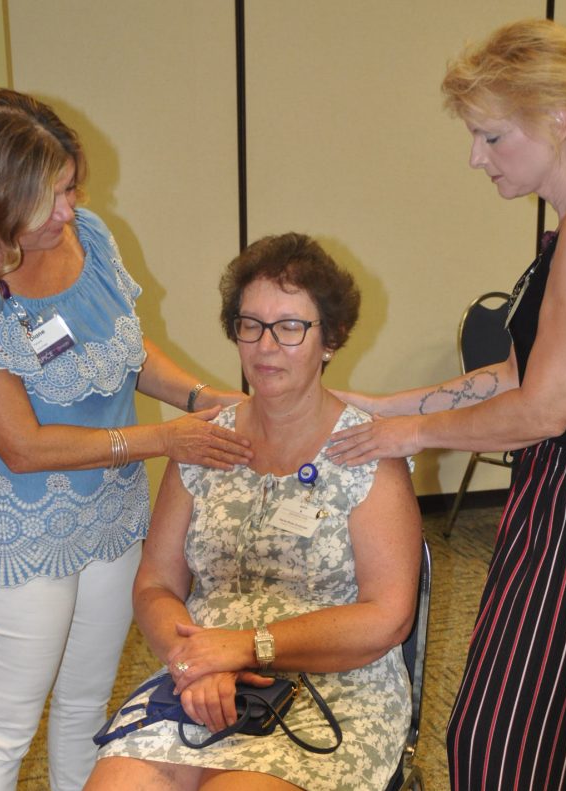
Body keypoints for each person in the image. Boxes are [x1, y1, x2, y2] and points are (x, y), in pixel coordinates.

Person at [328, 18, 566, 791]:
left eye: (491, 136)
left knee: (505, 742)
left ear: (557, 120)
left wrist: (409, 432)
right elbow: (513, 374)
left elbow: (544, 408)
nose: (477, 157)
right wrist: (380, 405)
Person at [0, 88, 253, 791]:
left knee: (85, 710)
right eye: (49, 197)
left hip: (109, 519)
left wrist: (204, 399)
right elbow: (23, 447)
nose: (68, 210)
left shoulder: (90, 236)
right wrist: (165, 438)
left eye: (71, 187)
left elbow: (125, 347)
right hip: (21, 530)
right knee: (4, 731)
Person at [83, 232, 423, 791]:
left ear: (331, 338)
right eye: (251, 325)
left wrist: (247, 647)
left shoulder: (367, 452)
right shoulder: (204, 444)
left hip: (335, 689)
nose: (266, 347)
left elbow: (388, 618)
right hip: (203, 680)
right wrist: (190, 660)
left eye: (289, 327)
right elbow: (155, 584)